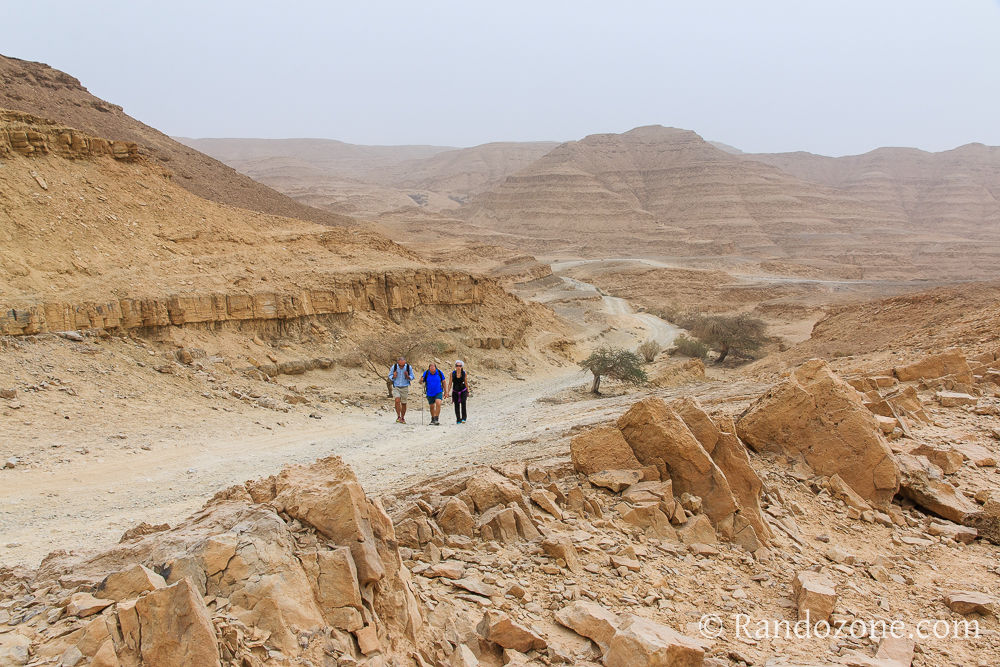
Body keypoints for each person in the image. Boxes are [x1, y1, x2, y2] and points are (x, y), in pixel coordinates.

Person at [388, 356, 415, 424]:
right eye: (400, 365)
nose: (401, 367)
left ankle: (402, 417)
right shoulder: (394, 367)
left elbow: (412, 376)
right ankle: (398, 416)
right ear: (398, 363)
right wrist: (393, 376)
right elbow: (390, 375)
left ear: (405, 363)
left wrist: (408, 376)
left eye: (403, 365)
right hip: (396, 386)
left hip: (405, 387)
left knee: (403, 403)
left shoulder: (408, 367)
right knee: (397, 400)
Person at [419, 361, 446, 426]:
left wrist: (446, 391)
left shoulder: (439, 372)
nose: (432, 370)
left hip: (438, 391)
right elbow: (420, 382)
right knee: (431, 406)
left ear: (435, 368)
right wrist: (421, 380)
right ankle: (433, 418)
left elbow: (444, 381)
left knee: (438, 403)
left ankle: (436, 419)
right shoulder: (426, 373)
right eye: (431, 368)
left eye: (433, 368)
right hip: (429, 392)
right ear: (429, 369)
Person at [447, 359, 471, 424]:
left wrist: (468, 391)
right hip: (455, 391)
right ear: (455, 366)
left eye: (460, 366)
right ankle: (458, 419)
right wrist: (447, 392)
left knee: (463, 403)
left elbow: (466, 382)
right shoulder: (452, 374)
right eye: (457, 365)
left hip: (463, 390)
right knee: (456, 405)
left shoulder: (464, 373)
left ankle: (464, 418)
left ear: (462, 366)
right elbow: (450, 383)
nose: (458, 367)